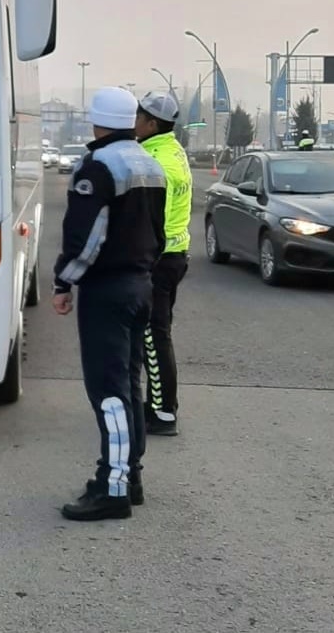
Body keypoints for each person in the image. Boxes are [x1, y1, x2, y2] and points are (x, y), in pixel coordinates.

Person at [53, 86, 166, 521]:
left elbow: (87, 239)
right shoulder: (150, 164)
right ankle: (130, 477)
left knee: (108, 393)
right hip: (141, 285)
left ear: (95, 120)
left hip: (107, 291)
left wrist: (64, 282)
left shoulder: (98, 167)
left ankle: (112, 487)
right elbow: (156, 231)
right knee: (128, 386)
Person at [136, 90, 192, 438]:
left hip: (159, 261)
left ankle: (163, 412)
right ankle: (159, 403)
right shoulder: (173, 151)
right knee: (157, 335)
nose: (135, 121)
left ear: (152, 122)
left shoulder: (155, 163)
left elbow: (148, 220)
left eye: (139, 116)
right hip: (174, 256)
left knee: (154, 338)